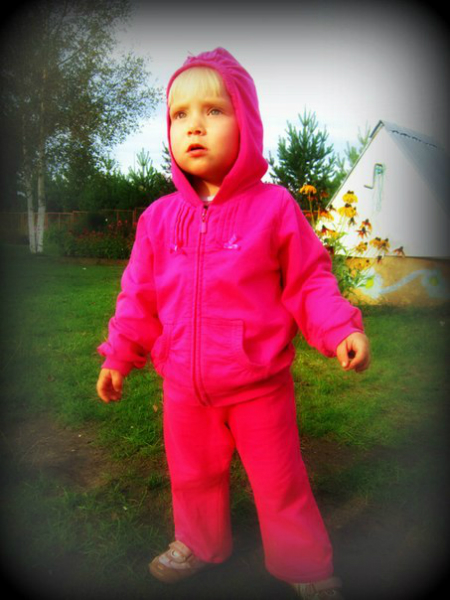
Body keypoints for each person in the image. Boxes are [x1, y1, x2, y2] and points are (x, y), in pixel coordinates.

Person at [96, 48, 370, 600]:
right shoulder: (158, 219)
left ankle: (303, 562)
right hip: (184, 389)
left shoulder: (275, 208)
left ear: (246, 124)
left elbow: (308, 281)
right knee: (192, 477)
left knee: (280, 481)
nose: (194, 125)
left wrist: (341, 328)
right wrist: (119, 354)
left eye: (214, 111)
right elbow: (138, 296)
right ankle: (198, 543)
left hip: (258, 386)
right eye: (180, 114)